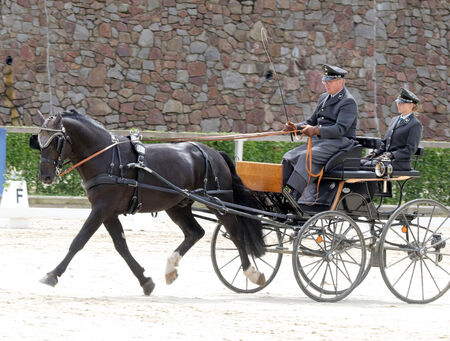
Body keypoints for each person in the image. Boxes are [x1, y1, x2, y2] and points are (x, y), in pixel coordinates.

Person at [282, 64, 358, 201]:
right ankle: (279, 191)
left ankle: (294, 196)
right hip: (321, 142)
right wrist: (295, 127)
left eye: (329, 81)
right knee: (288, 157)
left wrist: (316, 130)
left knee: (306, 157)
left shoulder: (348, 102)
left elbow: (340, 129)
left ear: (340, 81)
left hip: (339, 143)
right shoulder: (324, 97)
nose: (326, 84)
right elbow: (311, 121)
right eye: (325, 81)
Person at [361, 87, 422, 171]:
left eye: (402, 103)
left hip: (400, 162)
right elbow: (385, 144)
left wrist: (392, 154)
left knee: (368, 166)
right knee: (360, 163)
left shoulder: (415, 124)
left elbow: (410, 149)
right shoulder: (394, 120)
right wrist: (375, 153)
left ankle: (379, 184)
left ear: (411, 105)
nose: (399, 105)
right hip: (387, 159)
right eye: (398, 102)